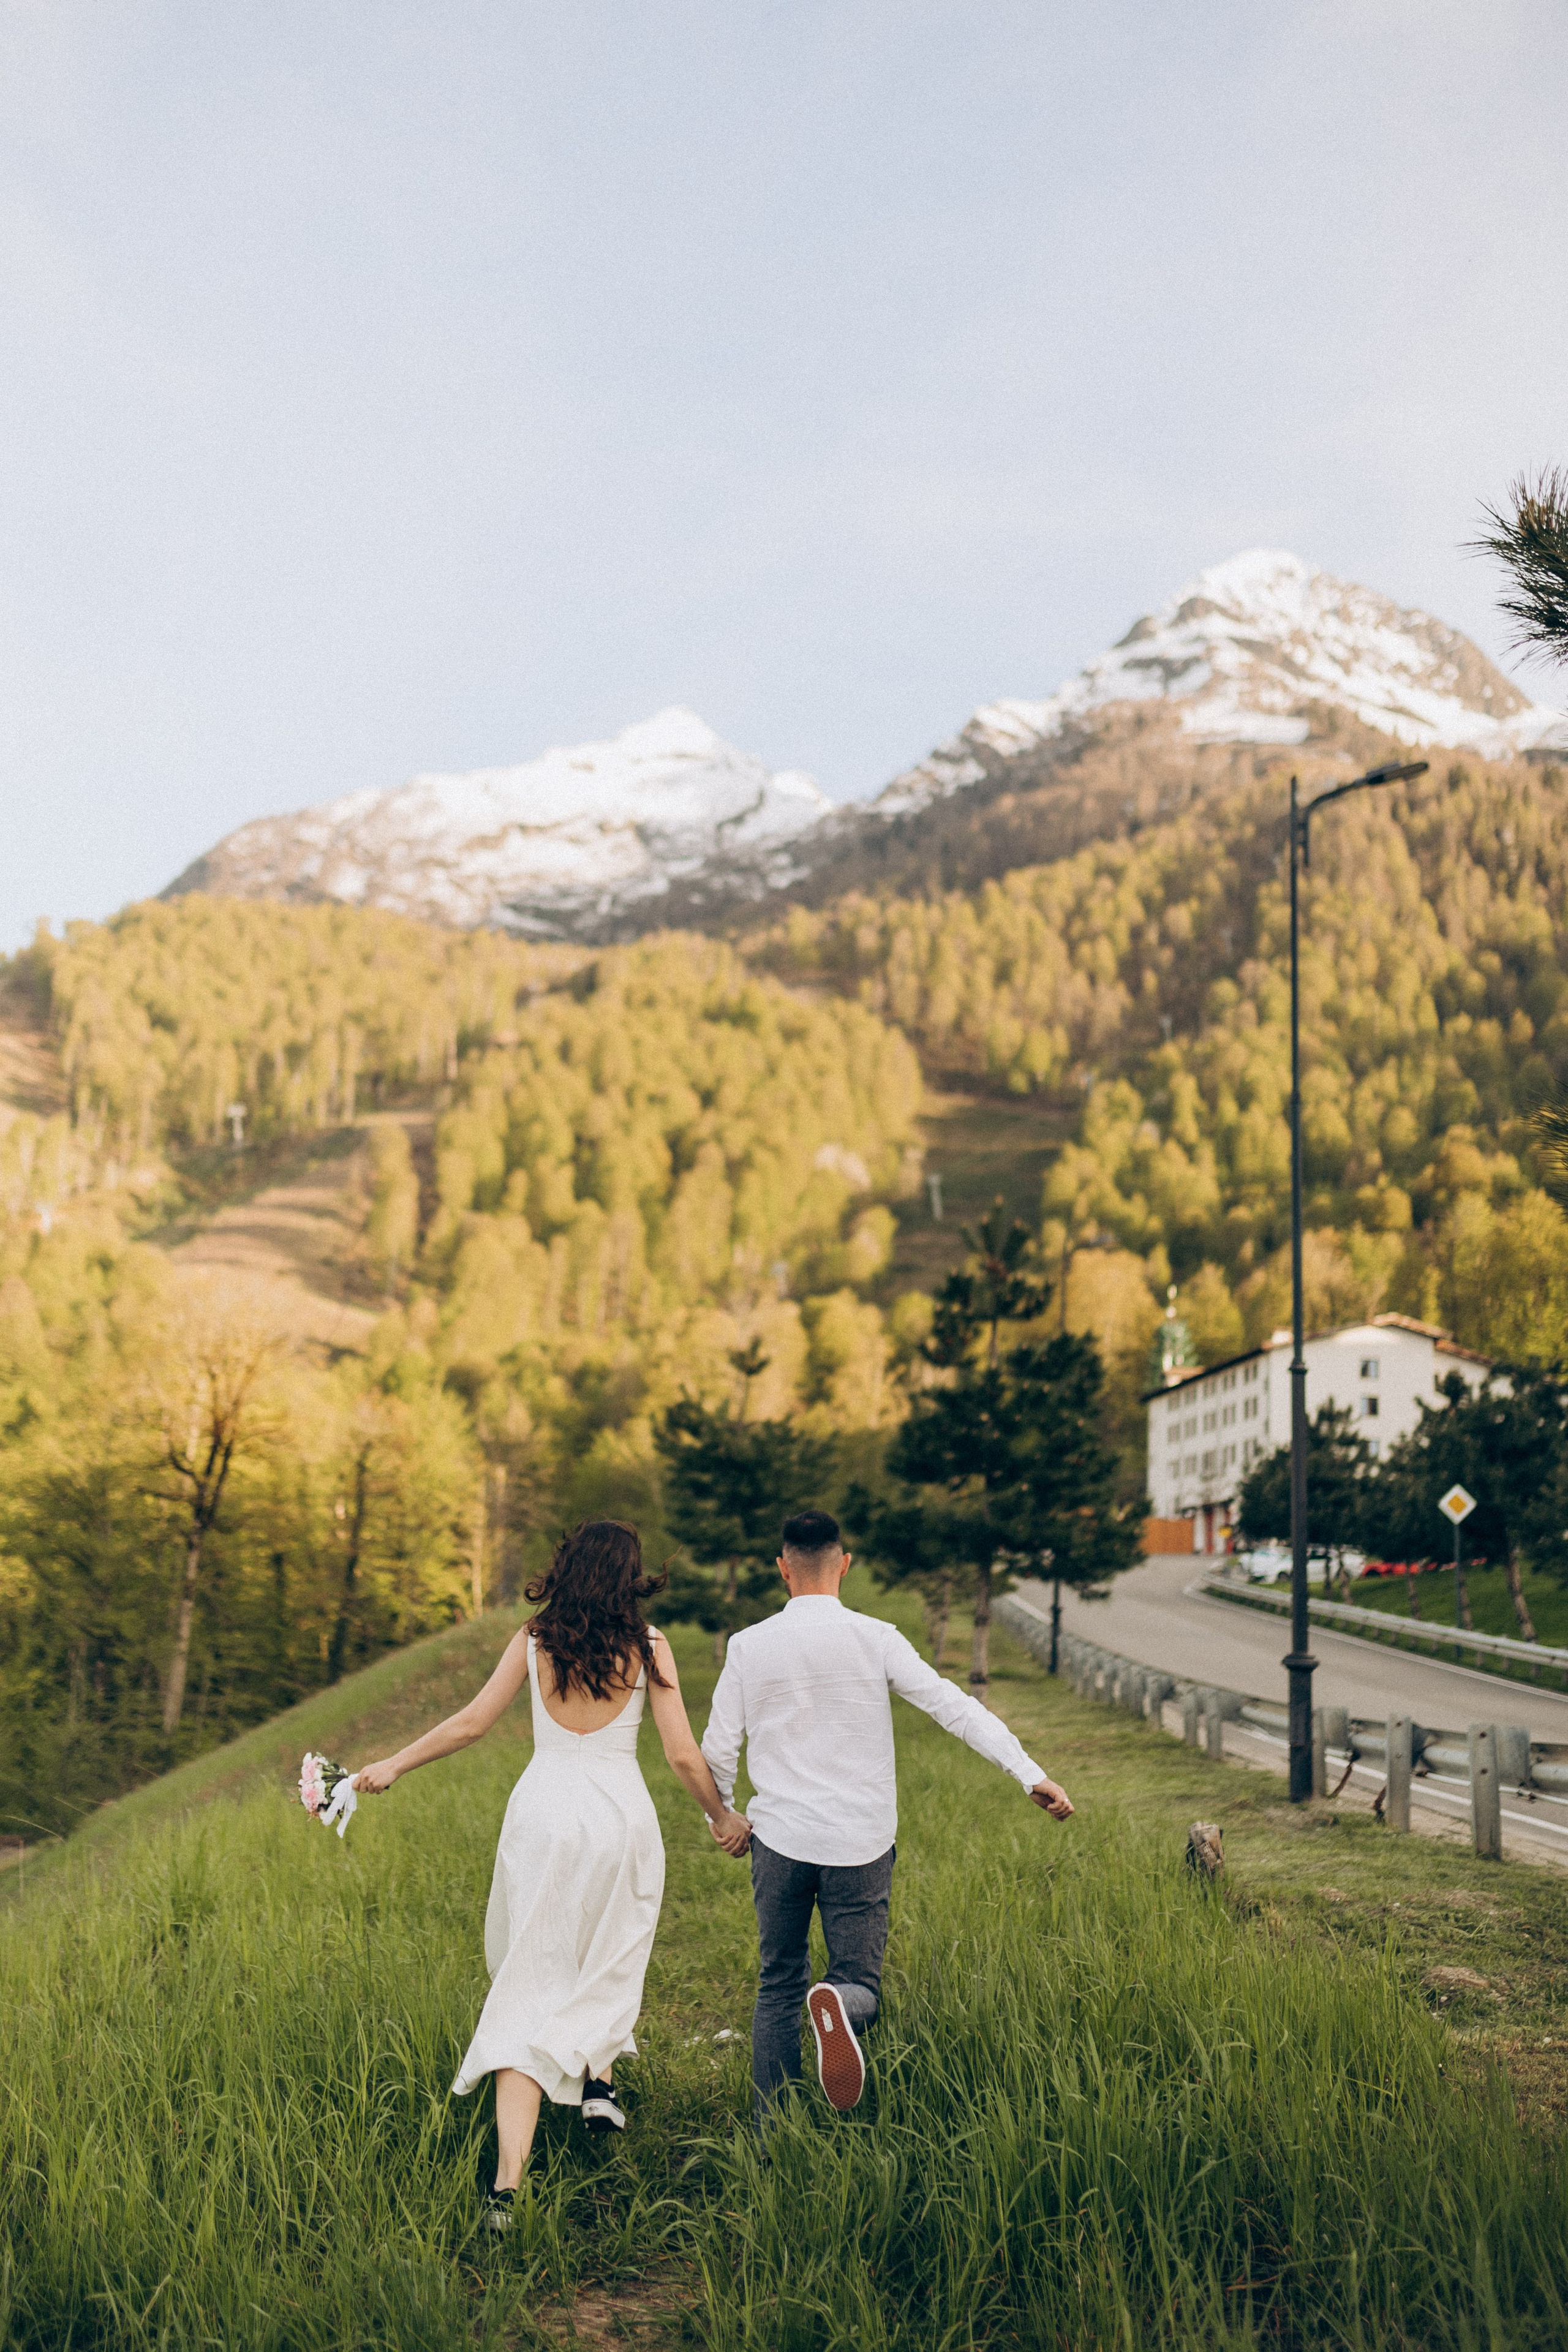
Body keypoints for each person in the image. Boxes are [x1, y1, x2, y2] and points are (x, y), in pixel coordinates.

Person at [352, 1520, 752, 2228]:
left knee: (529, 1979)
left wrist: (393, 1763)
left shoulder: (536, 1639)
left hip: (541, 1815)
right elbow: (682, 1755)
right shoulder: (648, 1646)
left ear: (567, 1568)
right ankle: (598, 2079)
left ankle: (506, 2189)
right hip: (618, 1817)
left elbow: (471, 1724)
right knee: (610, 1955)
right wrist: (721, 1816)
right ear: (630, 1576)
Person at [700, 1508, 1073, 2121]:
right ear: (845, 1565)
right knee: (860, 1984)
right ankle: (839, 2004)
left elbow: (718, 1746)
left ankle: (772, 2136)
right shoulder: (876, 1637)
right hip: (860, 1842)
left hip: (780, 1841)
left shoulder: (747, 1645)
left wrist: (724, 1816)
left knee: (778, 1983)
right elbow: (953, 1706)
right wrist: (1028, 1772)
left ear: (782, 1569)